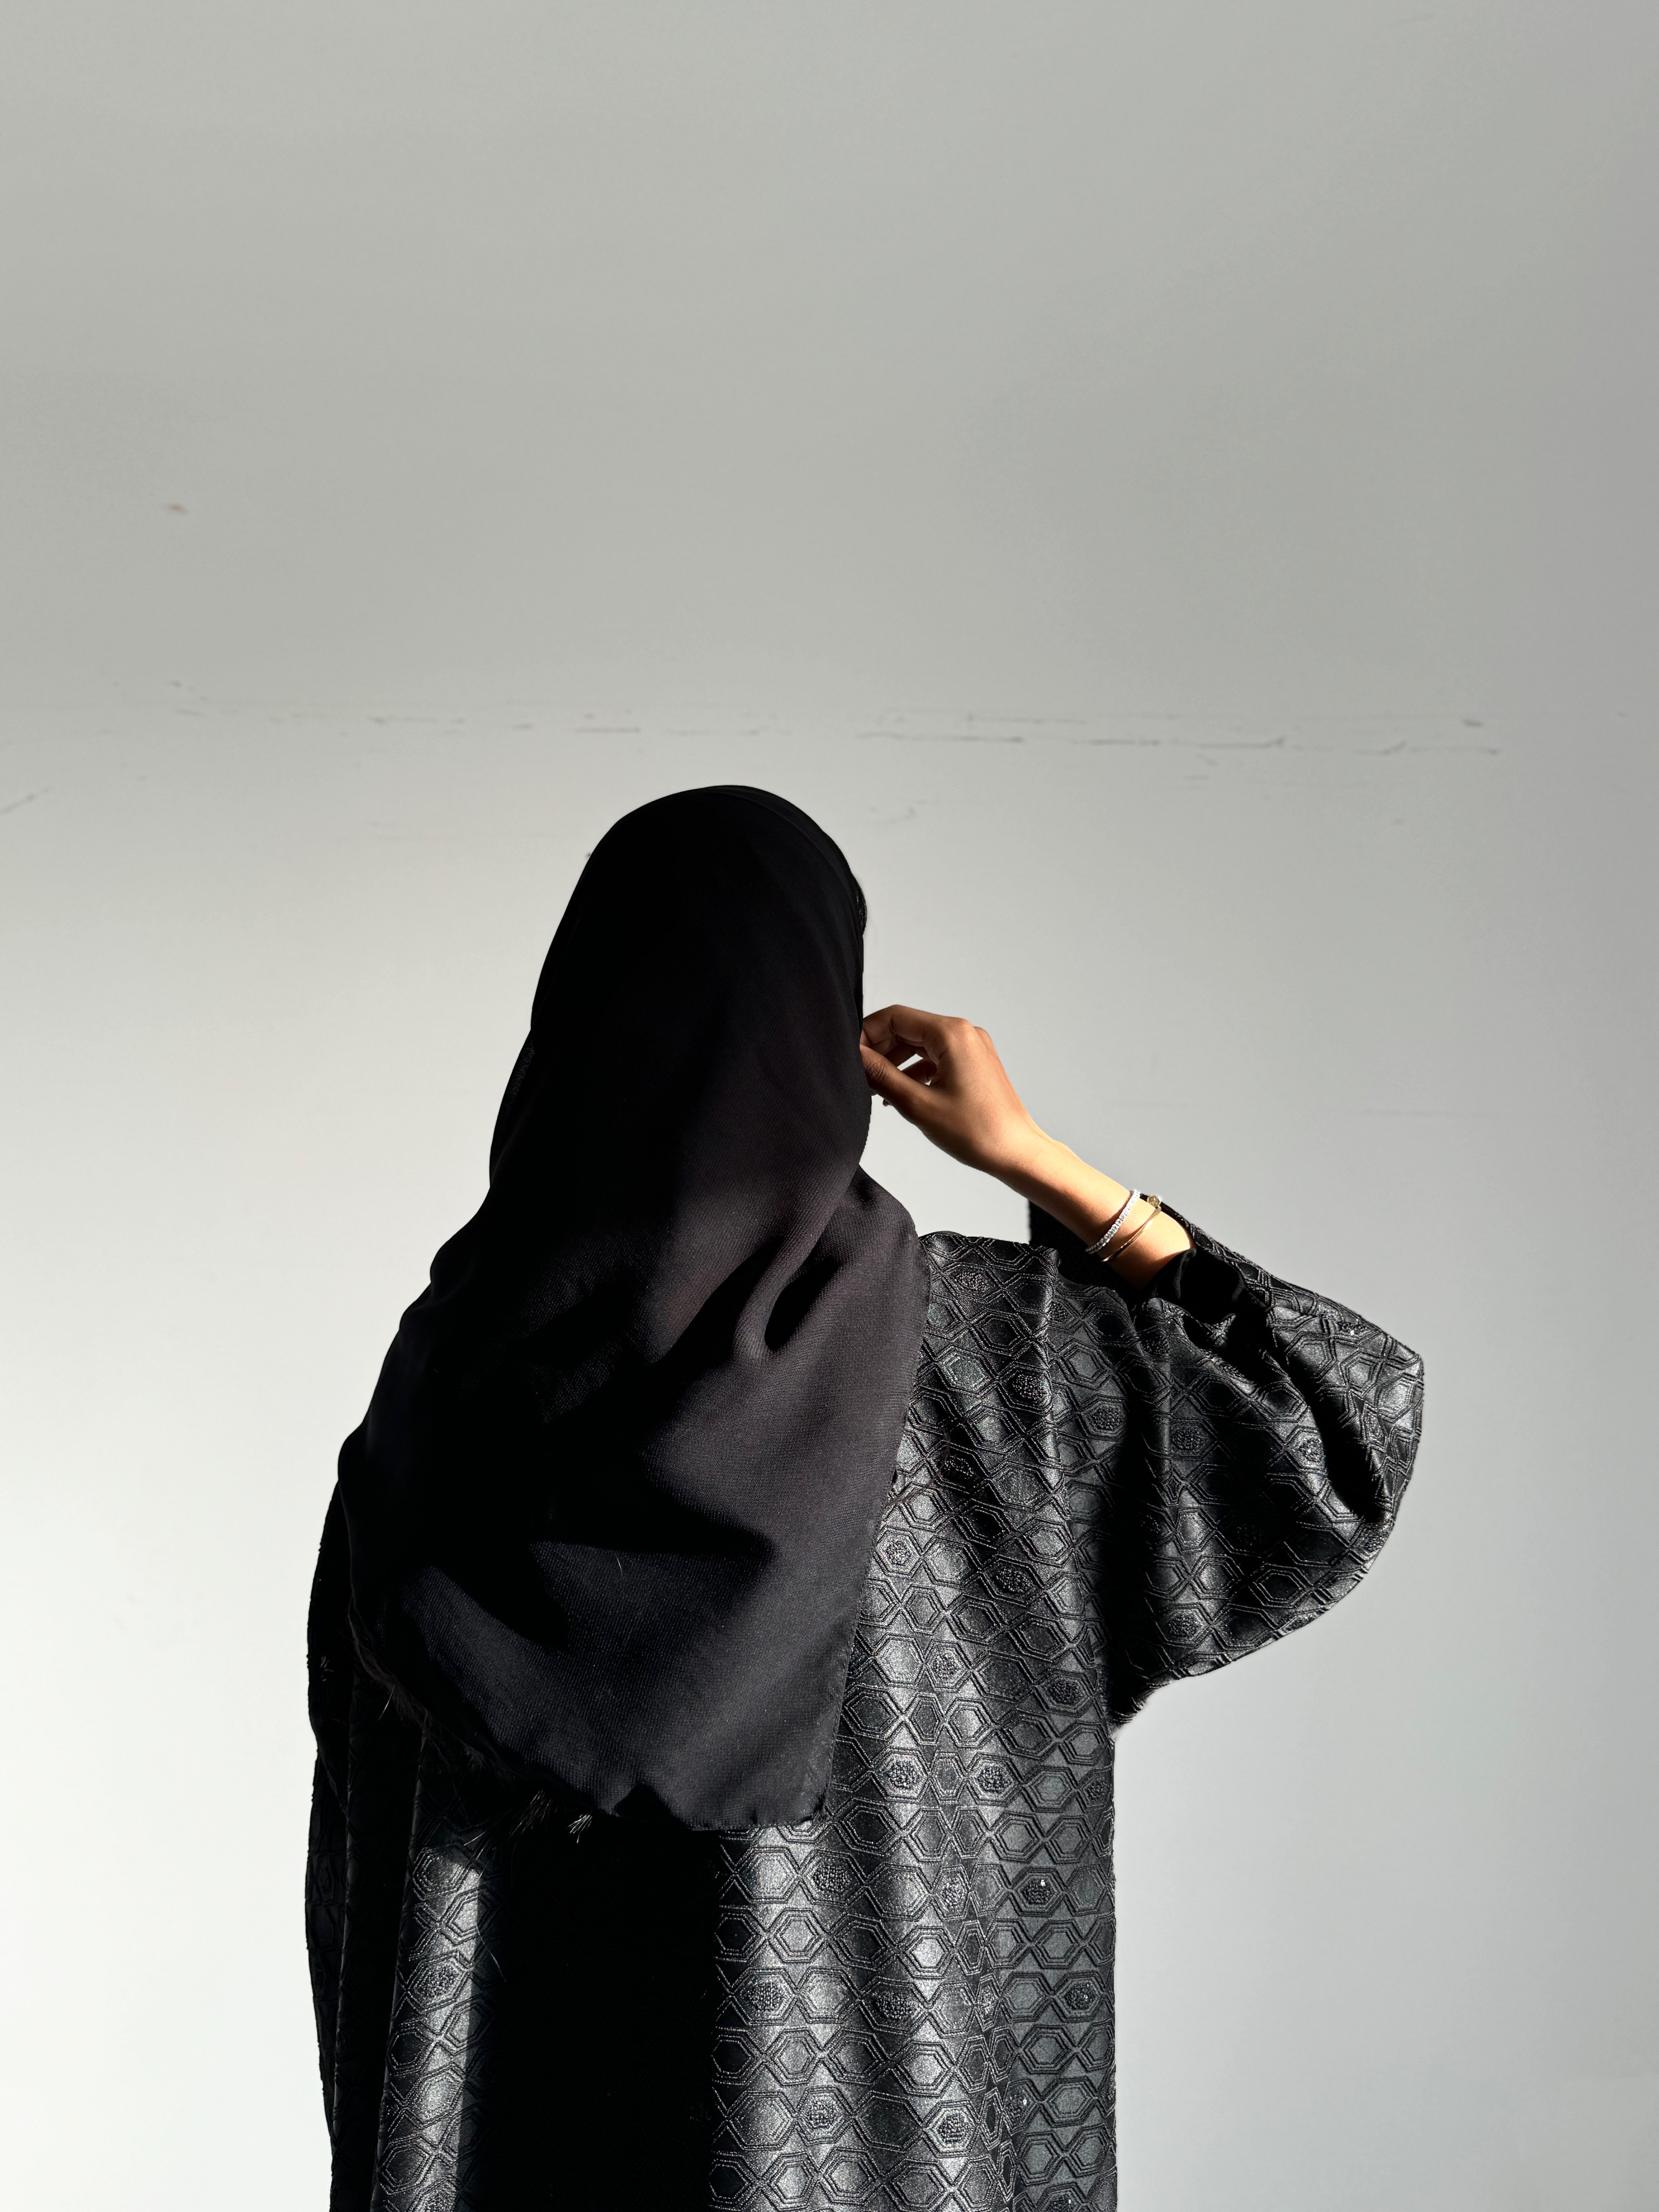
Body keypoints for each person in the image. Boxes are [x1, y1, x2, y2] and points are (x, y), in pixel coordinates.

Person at [306, 786, 1422, 2212]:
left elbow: (367, 1892)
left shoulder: (434, 1409)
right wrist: (1036, 1159)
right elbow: (1333, 1430)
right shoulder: (1003, 1363)